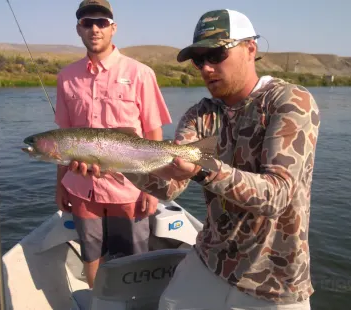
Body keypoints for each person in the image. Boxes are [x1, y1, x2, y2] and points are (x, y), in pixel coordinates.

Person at [71, 8, 321, 310]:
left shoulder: (290, 102)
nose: (205, 68)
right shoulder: (199, 115)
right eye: (199, 59)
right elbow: (170, 189)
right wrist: (115, 165)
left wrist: (203, 170)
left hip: (274, 280)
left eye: (215, 55)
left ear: (250, 49)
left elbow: (276, 196)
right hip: (210, 259)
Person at [54, 0, 172, 288]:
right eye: (87, 22)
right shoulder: (66, 77)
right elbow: (64, 139)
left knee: (135, 259)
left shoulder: (140, 73)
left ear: (113, 28)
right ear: (78, 29)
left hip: (130, 187)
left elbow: (153, 133)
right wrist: (60, 184)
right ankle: (98, 302)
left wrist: (151, 187)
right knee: (91, 255)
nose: (94, 28)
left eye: (101, 22)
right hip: (82, 188)